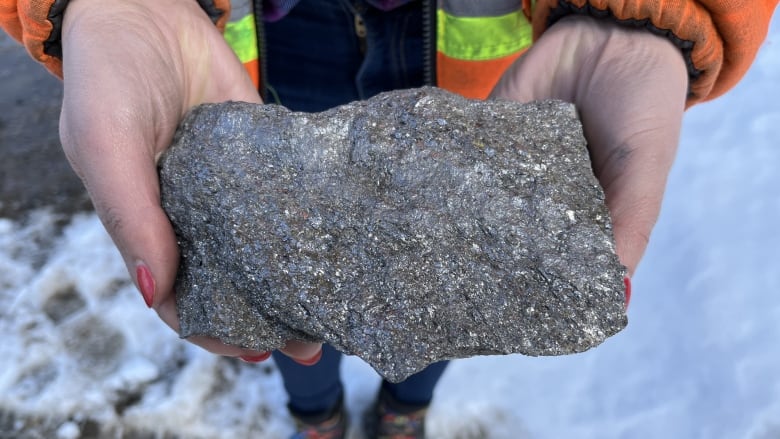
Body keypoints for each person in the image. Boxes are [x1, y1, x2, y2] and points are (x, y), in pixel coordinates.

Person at [1, 0, 777, 438]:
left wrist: (651, 11)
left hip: (481, 65)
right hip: (256, 50)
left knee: (444, 289)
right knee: (282, 294)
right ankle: (317, 412)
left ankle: (404, 406)